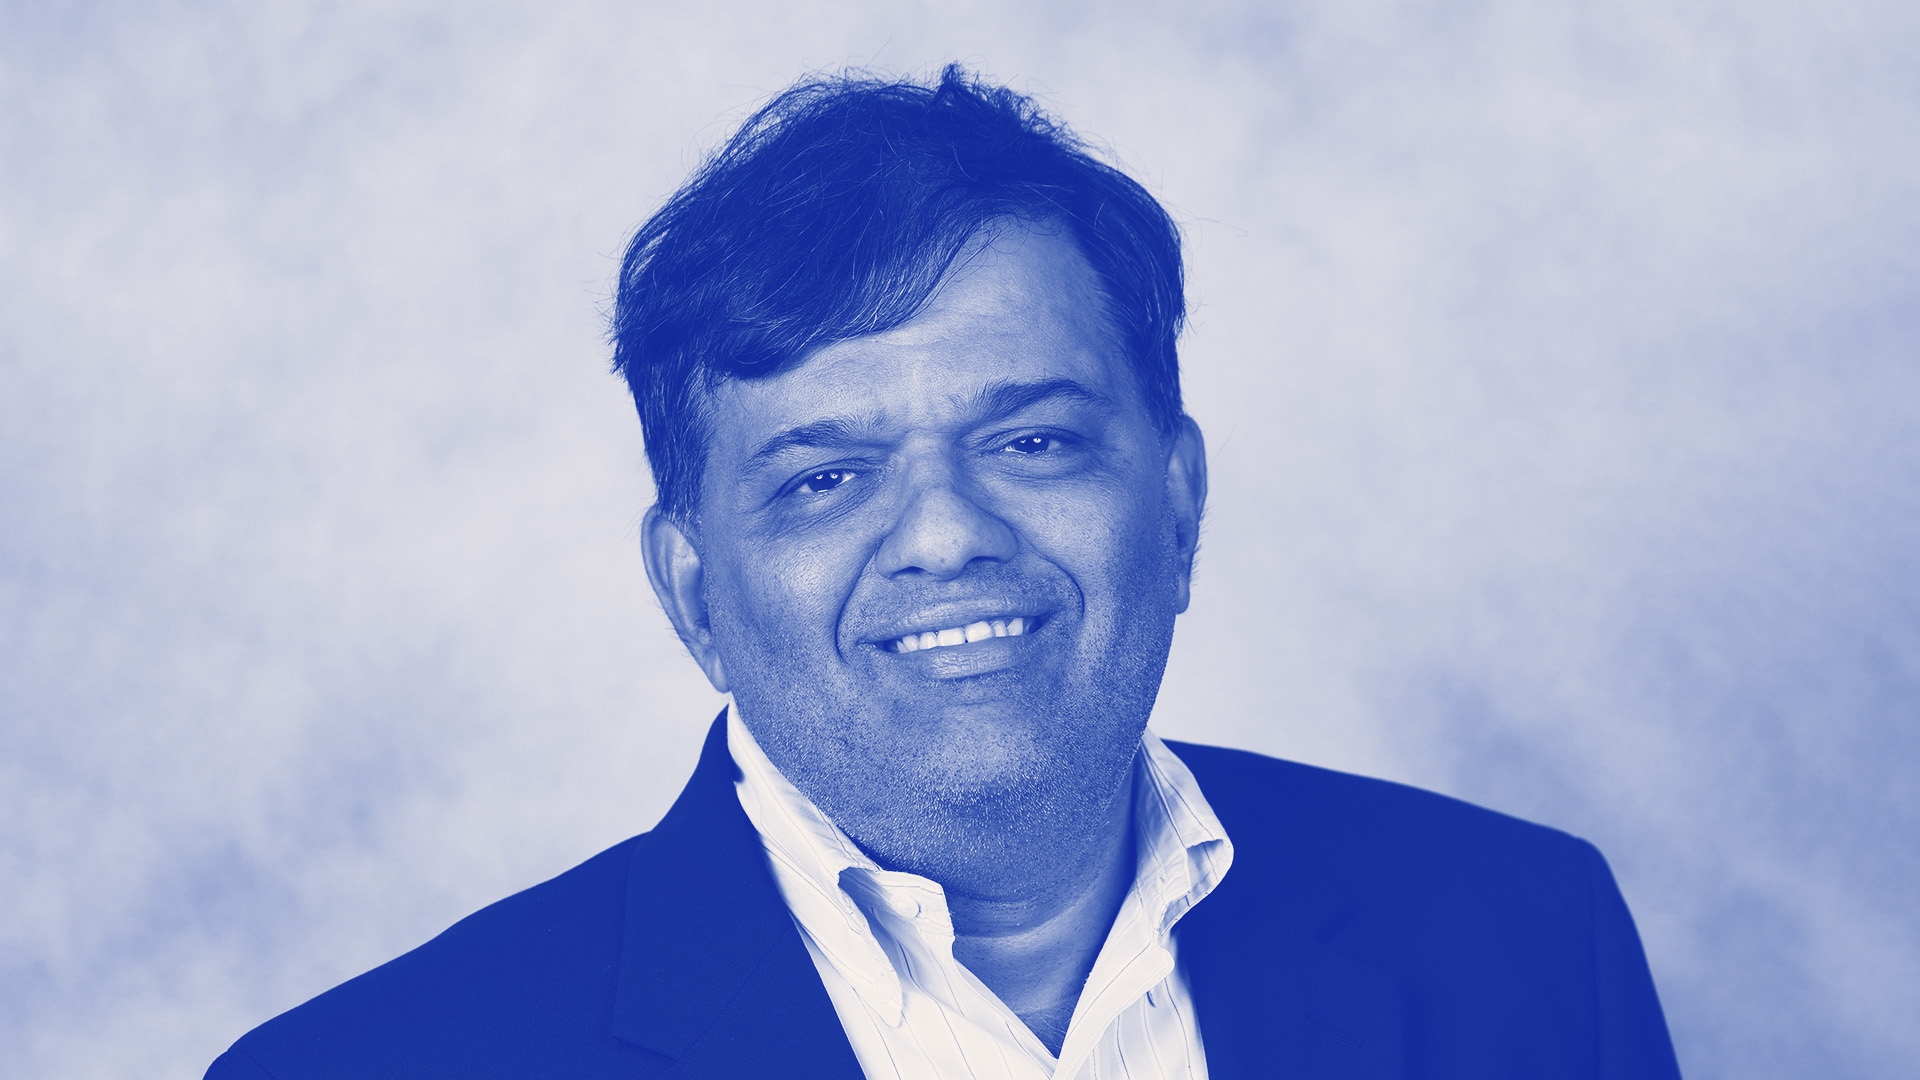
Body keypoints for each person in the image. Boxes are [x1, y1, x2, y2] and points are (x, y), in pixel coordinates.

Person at [206, 66, 1683, 1080]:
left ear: (1178, 500)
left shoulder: (1521, 938)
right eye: (825, 478)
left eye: (1032, 440)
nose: (945, 534)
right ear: (692, 591)